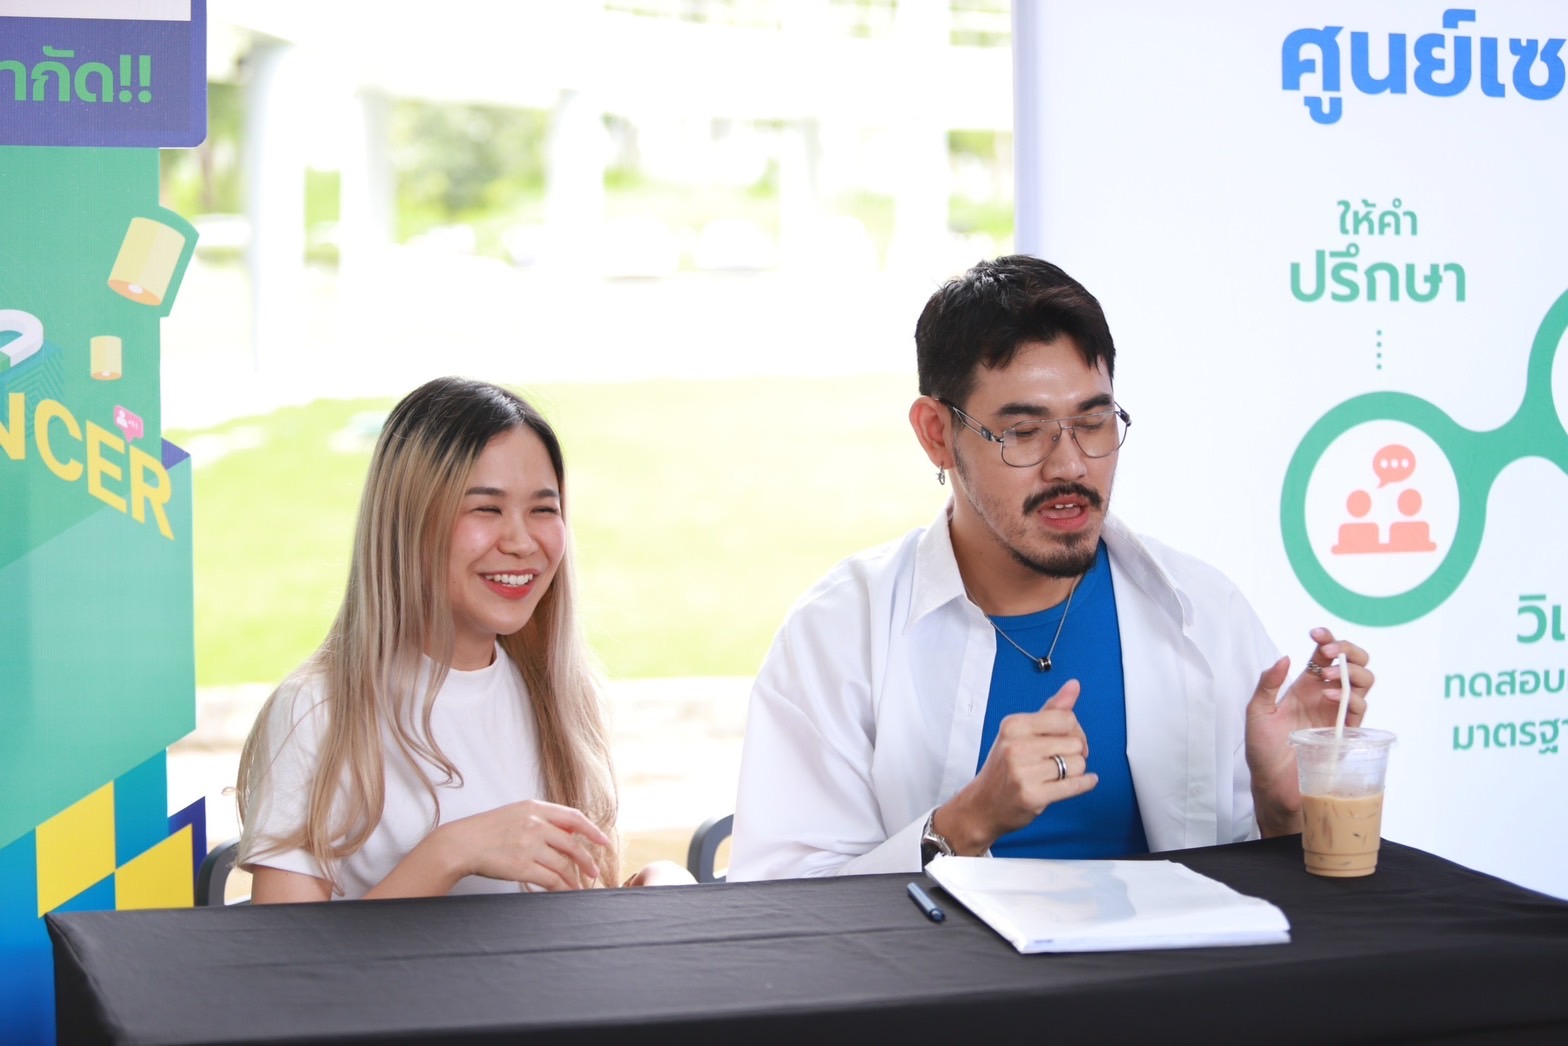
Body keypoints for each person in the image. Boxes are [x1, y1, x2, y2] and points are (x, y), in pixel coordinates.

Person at [728, 256, 1373, 880]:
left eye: (1094, 422)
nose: (1070, 466)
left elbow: (1271, 915)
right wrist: (962, 826)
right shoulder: (841, 631)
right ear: (936, 434)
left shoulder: (1204, 611)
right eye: (1024, 433)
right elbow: (783, 902)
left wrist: (1287, 807)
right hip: (943, 963)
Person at [236, 377, 690, 900]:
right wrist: (449, 853)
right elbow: (287, 948)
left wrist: (654, 888)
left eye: (543, 510)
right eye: (486, 509)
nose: (521, 542)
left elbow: (568, 916)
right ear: (408, 523)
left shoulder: (560, 694)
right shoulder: (319, 711)